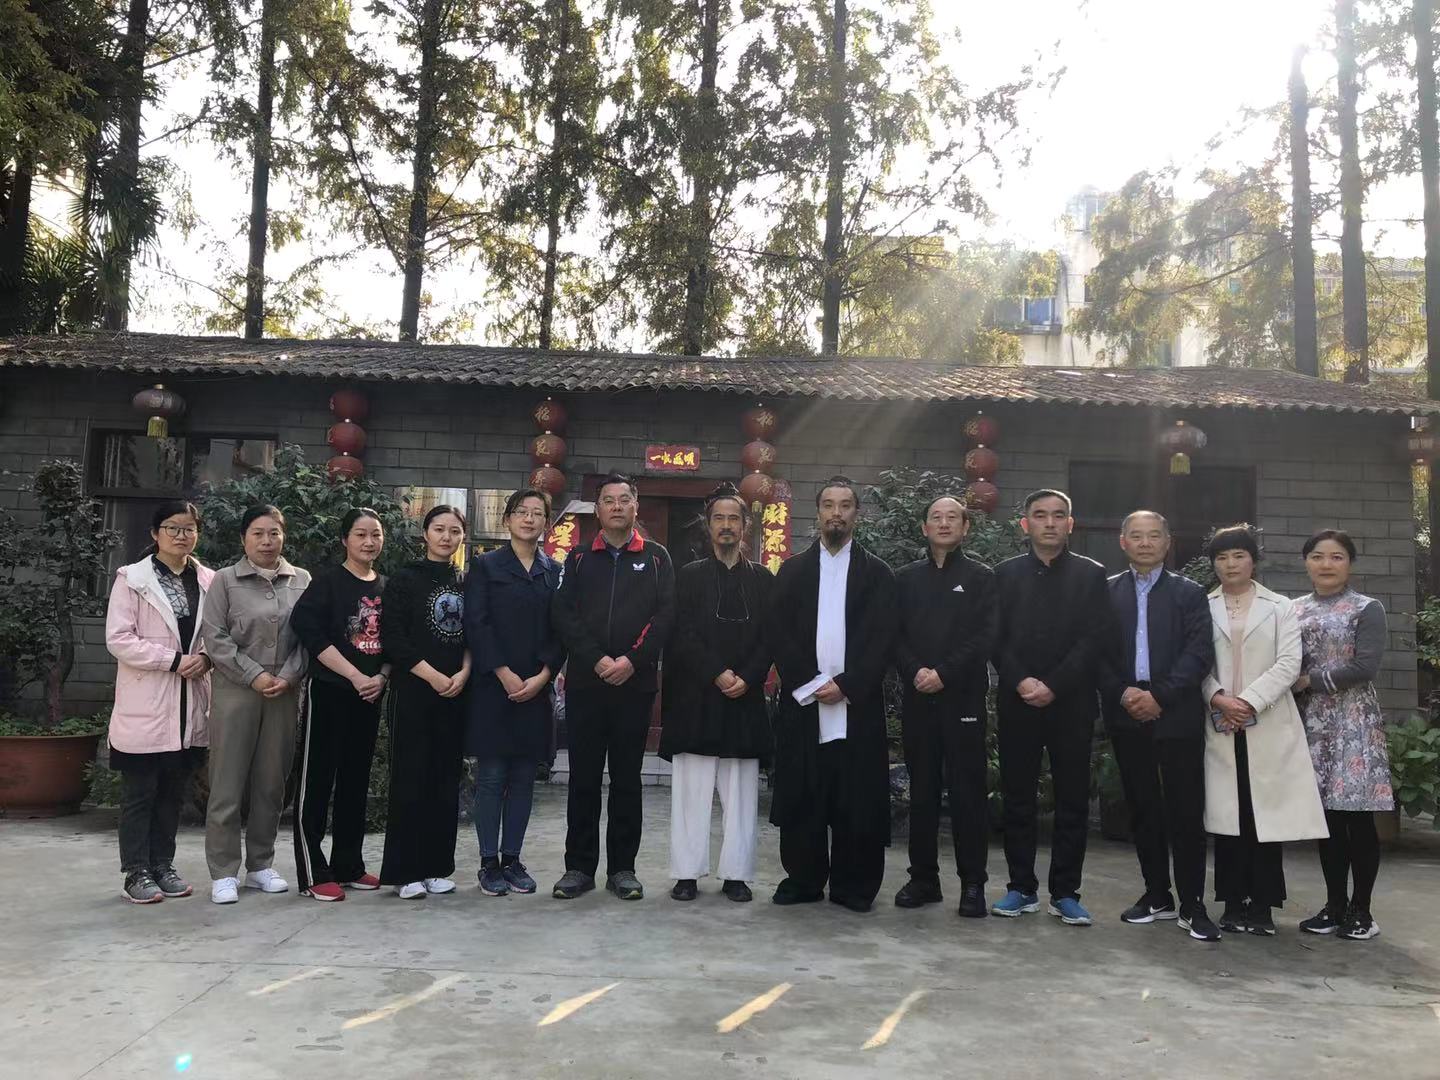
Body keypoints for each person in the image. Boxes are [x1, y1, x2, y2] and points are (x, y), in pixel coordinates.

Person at [769, 477, 898, 913]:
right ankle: (803, 879)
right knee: (804, 795)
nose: (836, 514)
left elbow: (883, 639)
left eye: (845, 506)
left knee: (856, 798)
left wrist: (846, 685)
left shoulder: (878, 574)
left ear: (856, 514)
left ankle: (854, 885)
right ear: (818, 513)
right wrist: (810, 683)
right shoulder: (793, 571)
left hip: (855, 706)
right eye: (829, 505)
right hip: (805, 704)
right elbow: (779, 635)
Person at [551, 472, 676, 901]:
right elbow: (564, 615)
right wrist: (597, 659)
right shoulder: (579, 558)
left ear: (636, 506)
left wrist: (631, 662)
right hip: (587, 685)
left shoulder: (657, 558)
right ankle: (578, 867)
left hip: (634, 687)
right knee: (583, 778)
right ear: (598, 509)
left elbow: (664, 616)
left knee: (626, 780)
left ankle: (623, 868)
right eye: (609, 500)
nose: (617, 506)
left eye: (625, 499)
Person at [1202, 524, 1328, 937]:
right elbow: (1195, 660)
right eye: (1222, 558)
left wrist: (1248, 702)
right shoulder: (1202, 606)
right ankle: (1231, 903)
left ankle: (1262, 907)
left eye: (1238, 555)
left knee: (1263, 817)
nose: (1230, 564)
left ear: (1253, 561)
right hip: (1220, 720)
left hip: (1268, 720)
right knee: (1230, 816)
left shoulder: (1280, 607)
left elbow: (1289, 663)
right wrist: (1219, 697)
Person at [1099, 511, 1219, 941]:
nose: (1146, 543)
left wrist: (1160, 697)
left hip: (1176, 712)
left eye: (1154, 536)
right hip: (1126, 711)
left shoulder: (1189, 593)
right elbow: (1096, 652)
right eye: (1137, 536)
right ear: (1123, 542)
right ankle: (1156, 894)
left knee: (1186, 810)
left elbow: (1199, 653)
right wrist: (1123, 694)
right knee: (1143, 806)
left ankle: (1192, 903)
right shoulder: (1106, 592)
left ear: (1168, 543)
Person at [991, 489, 1108, 926]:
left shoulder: (1091, 575)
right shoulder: (1004, 574)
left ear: (1070, 524)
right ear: (1026, 524)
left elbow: (1093, 639)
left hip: (1071, 703)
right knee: (1018, 797)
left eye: (1059, 515)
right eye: (1040, 515)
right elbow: (994, 638)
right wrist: (1022, 680)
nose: (1050, 523)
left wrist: (1054, 685)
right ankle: (1021, 887)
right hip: (1017, 700)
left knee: (1072, 800)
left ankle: (1065, 892)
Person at [660, 483, 775, 903]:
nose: (726, 526)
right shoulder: (688, 576)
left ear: (745, 526)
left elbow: (771, 637)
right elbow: (680, 634)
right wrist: (716, 673)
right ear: (708, 526)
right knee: (691, 792)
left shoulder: (763, 579)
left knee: (741, 794)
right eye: (719, 518)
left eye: (734, 519)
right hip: (697, 697)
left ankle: (736, 874)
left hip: (744, 697)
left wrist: (749, 675)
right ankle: (687, 873)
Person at [105, 501, 215, 904]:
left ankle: (163, 865)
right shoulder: (132, 579)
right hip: (147, 701)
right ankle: (136, 872)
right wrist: (172, 661)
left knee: (172, 792)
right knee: (140, 793)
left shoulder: (208, 580)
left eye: (189, 529)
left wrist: (206, 658)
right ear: (155, 534)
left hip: (189, 702)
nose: (181, 536)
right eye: (172, 528)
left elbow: (218, 633)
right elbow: (119, 638)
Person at [891, 495, 996, 917]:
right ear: (924, 527)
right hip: (918, 699)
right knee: (922, 793)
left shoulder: (981, 577)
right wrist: (916, 670)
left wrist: (944, 673)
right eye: (936, 517)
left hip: (963, 699)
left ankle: (973, 884)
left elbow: (985, 636)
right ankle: (923, 878)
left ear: (966, 527)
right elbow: (893, 634)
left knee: (968, 794)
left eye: (953, 517)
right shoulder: (905, 578)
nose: (944, 523)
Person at [201, 504, 310, 905]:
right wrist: (255, 675)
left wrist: (289, 676)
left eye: (274, 533)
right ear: (244, 538)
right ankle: (223, 871)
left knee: (271, 782)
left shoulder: (301, 580)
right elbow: (215, 638)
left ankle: (261, 864)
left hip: (283, 692)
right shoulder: (225, 581)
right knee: (227, 783)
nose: (267, 541)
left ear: (284, 536)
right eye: (258, 533)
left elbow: (310, 636)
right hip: (236, 691)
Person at [1292, 530, 1392, 941]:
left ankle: (1361, 910)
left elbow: (1365, 667)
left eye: (1336, 557)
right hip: (1311, 724)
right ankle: (1334, 906)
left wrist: (1309, 680)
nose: (1326, 564)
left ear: (1350, 563)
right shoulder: (1293, 609)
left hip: (1354, 723)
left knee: (1357, 818)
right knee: (1328, 820)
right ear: (1306, 562)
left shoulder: (1367, 608)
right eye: (1318, 556)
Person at [464, 488, 563, 897]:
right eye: (521, 511)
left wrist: (544, 675)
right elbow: (477, 622)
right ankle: (488, 862)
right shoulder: (486, 565)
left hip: (536, 688)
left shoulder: (554, 571)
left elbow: (562, 628)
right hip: (493, 687)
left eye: (537, 513)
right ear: (507, 519)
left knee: (524, 777)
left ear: (547, 524)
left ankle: (512, 859)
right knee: (491, 777)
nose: (529, 519)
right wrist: (502, 671)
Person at [289, 508, 391, 902]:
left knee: (355, 781)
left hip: (369, 695)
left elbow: (394, 641)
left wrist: (381, 677)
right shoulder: (327, 583)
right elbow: (309, 632)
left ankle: (348, 864)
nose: (369, 542)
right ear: (345, 539)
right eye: (361, 534)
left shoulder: (385, 586)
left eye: (375, 534)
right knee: (317, 780)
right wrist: (354, 675)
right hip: (331, 691)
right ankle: (313, 871)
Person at [378, 504, 471, 899]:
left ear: (463, 537)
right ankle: (406, 871)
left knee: (445, 780)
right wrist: (431, 675)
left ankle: (436, 867)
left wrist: (464, 672)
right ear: (425, 534)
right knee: (411, 779)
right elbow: (394, 637)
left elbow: (473, 634)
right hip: (414, 692)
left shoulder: (466, 581)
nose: (446, 537)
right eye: (439, 529)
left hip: (455, 693)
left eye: (454, 531)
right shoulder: (405, 578)